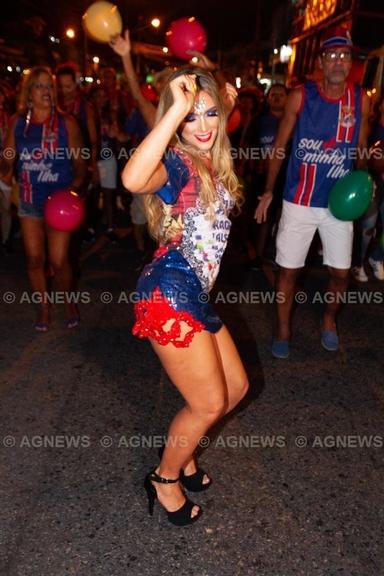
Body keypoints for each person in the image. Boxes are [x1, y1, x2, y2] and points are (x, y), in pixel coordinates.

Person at [120, 68, 249, 525]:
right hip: (168, 293)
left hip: (194, 292)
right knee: (208, 403)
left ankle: (185, 452)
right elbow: (133, 179)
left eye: (210, 114)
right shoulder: (178, 161)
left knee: (235, 389)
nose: (203, 126)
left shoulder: (212, 157)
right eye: (190, 119)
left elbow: (219, 110)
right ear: (175, 123)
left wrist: (222, 100)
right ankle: (165, 477)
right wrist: (177, 109)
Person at [255, 26, 370, 358]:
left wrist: (363, 184)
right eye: (331, 55)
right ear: (322, 60)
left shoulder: (360, 99)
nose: (337, 62)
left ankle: (329, 320)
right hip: (299, 201)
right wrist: (267, 191)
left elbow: (361, 147)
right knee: (288, 270)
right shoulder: (300, 95)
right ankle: (282, 328)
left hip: (339, 205)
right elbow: (279, 146)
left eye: (344, 56)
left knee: (340, 273)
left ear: (352, 62)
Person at [0, 66, 87, 331]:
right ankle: (44, 307)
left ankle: (69, 301)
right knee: (34, 259)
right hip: (29, 200)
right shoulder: (17, 122)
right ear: (29, 93)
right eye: (39, 86)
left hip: (59, 202)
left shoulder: (67, 123)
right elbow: (8, 159)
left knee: (59, 261)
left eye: (49, 86)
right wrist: (5, 168)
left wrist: (74, 189)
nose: (46, 91)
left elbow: (81, 164)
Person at [351, 95, 384, 281]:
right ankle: (358, 263)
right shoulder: (371, 129)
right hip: (371, 183)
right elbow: (361, 153)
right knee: (368, 228)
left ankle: (376, 257)